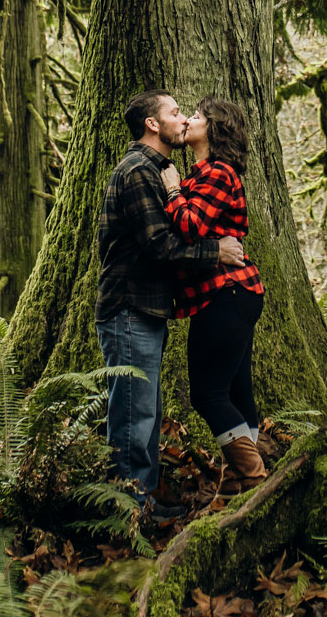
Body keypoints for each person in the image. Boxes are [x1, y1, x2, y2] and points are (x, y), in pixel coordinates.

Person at [98, 90, 246, 523]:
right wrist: (215, 252)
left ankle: (142, 500)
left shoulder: (158, 170)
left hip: (147, 309)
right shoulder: (138, 172)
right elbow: (160, 245)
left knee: (147, 411)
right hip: (128, 307)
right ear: (151, 124)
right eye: (175, 112)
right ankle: (128, 516)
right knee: (133, 414)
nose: (183, 119)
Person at [162, 96, 268, 490]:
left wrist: (172, 191)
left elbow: (189, 227)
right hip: (232, 296)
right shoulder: (203, 176)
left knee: (207, 395)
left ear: (216, 128)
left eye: (198, 115)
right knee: (238, 391)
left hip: (227, 295)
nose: (189, 119)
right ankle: (241, 484)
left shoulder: (219, 174)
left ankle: (254, 480)